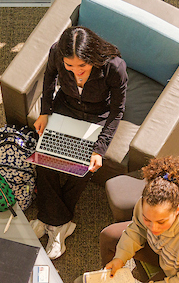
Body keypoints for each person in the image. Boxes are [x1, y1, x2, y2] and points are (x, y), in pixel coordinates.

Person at [32, 25, 127, 259]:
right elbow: (48, 79)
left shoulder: (115, 67)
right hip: (67, 107)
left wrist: (99, 149)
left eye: (82, 66)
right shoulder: (56, 52)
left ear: (93, 58)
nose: (77, 73)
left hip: (97, 114)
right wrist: (45, 112)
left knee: (82, 168)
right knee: (44, 160)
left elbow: (117, 110)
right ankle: (60, 222)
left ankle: (49, 219)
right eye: (70, 66)